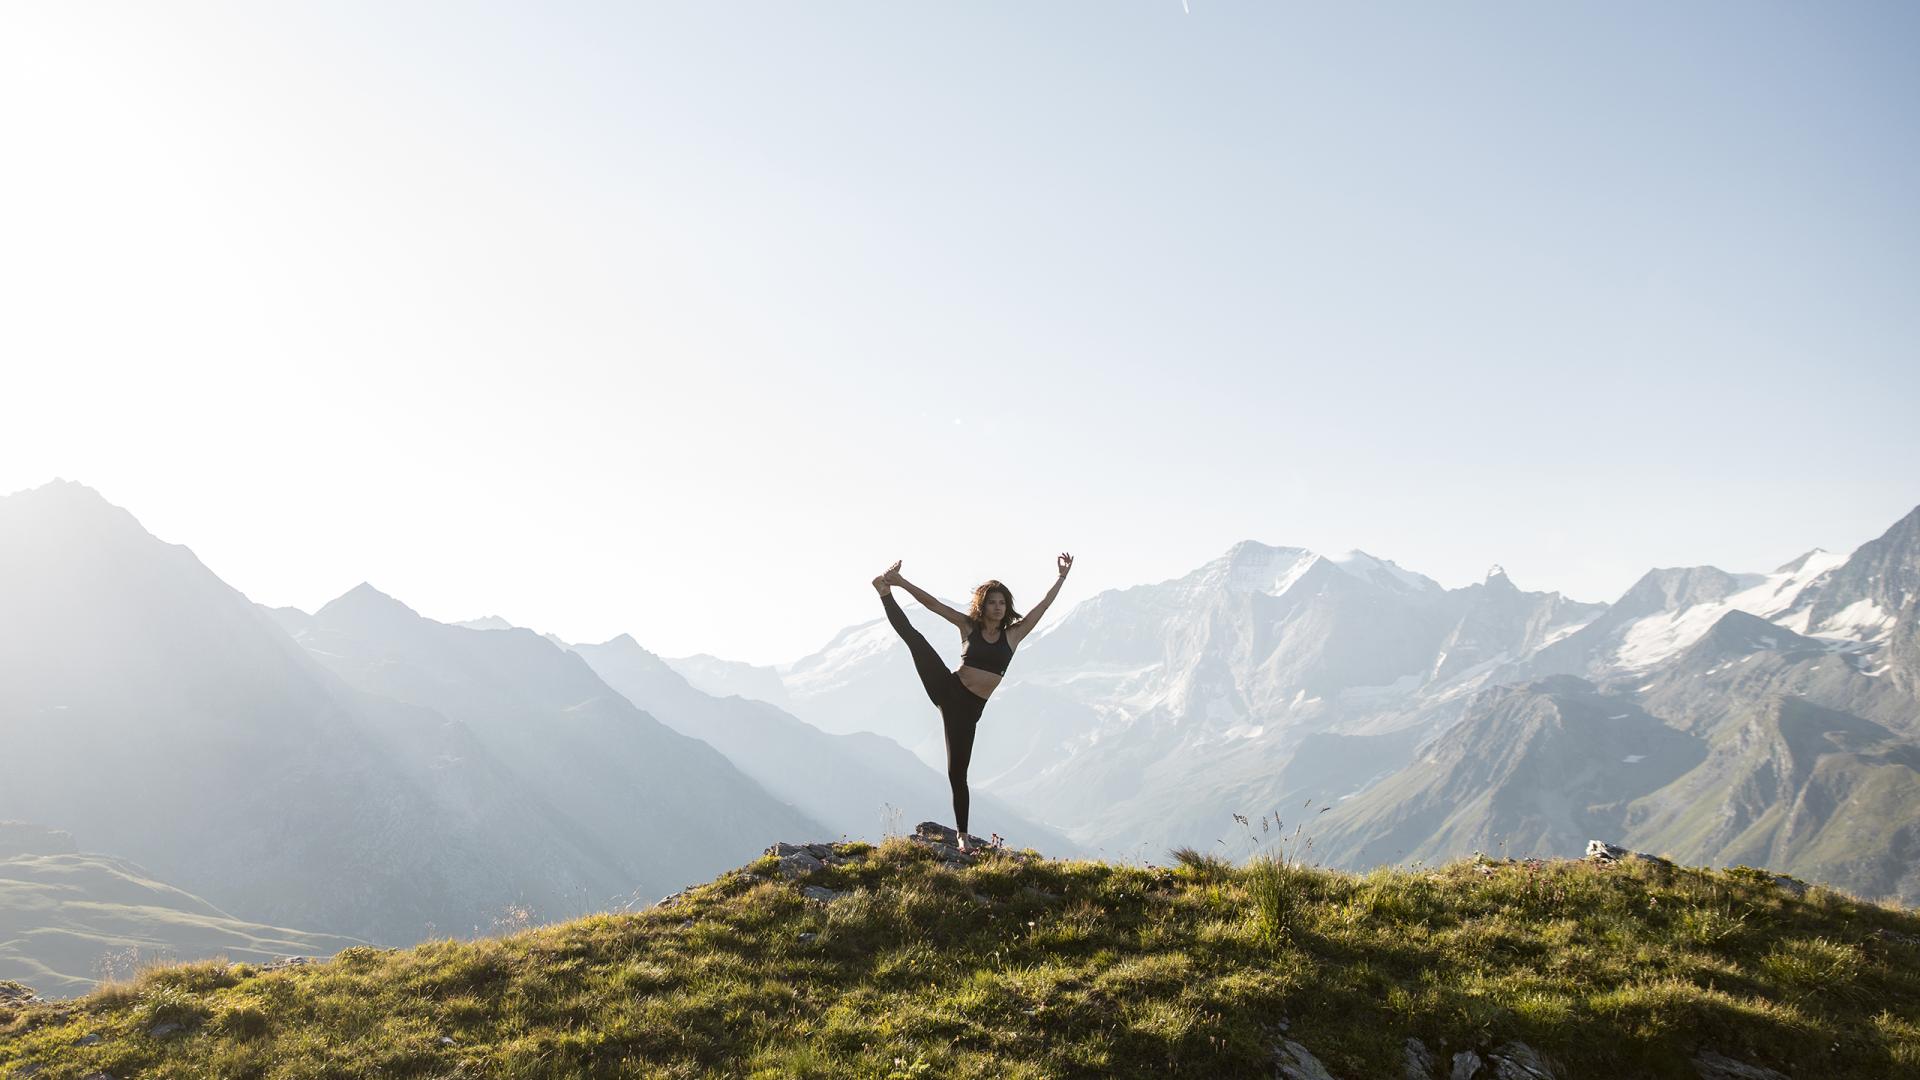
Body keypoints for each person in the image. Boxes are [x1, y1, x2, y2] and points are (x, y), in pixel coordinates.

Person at [872, 552, 1073, 852]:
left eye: (1002, 602)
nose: (997, 606)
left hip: (968, 712)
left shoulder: (1014, 636)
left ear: (1007, 608)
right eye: (992, 601)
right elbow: (934, 605)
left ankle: (962, 835)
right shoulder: (969, 627)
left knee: (957, 773)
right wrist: (900, 582)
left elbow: (1042, 606)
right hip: (947, 689)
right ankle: (884, 591)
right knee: (915, 640)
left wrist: (1061, 577)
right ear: (983, 605)